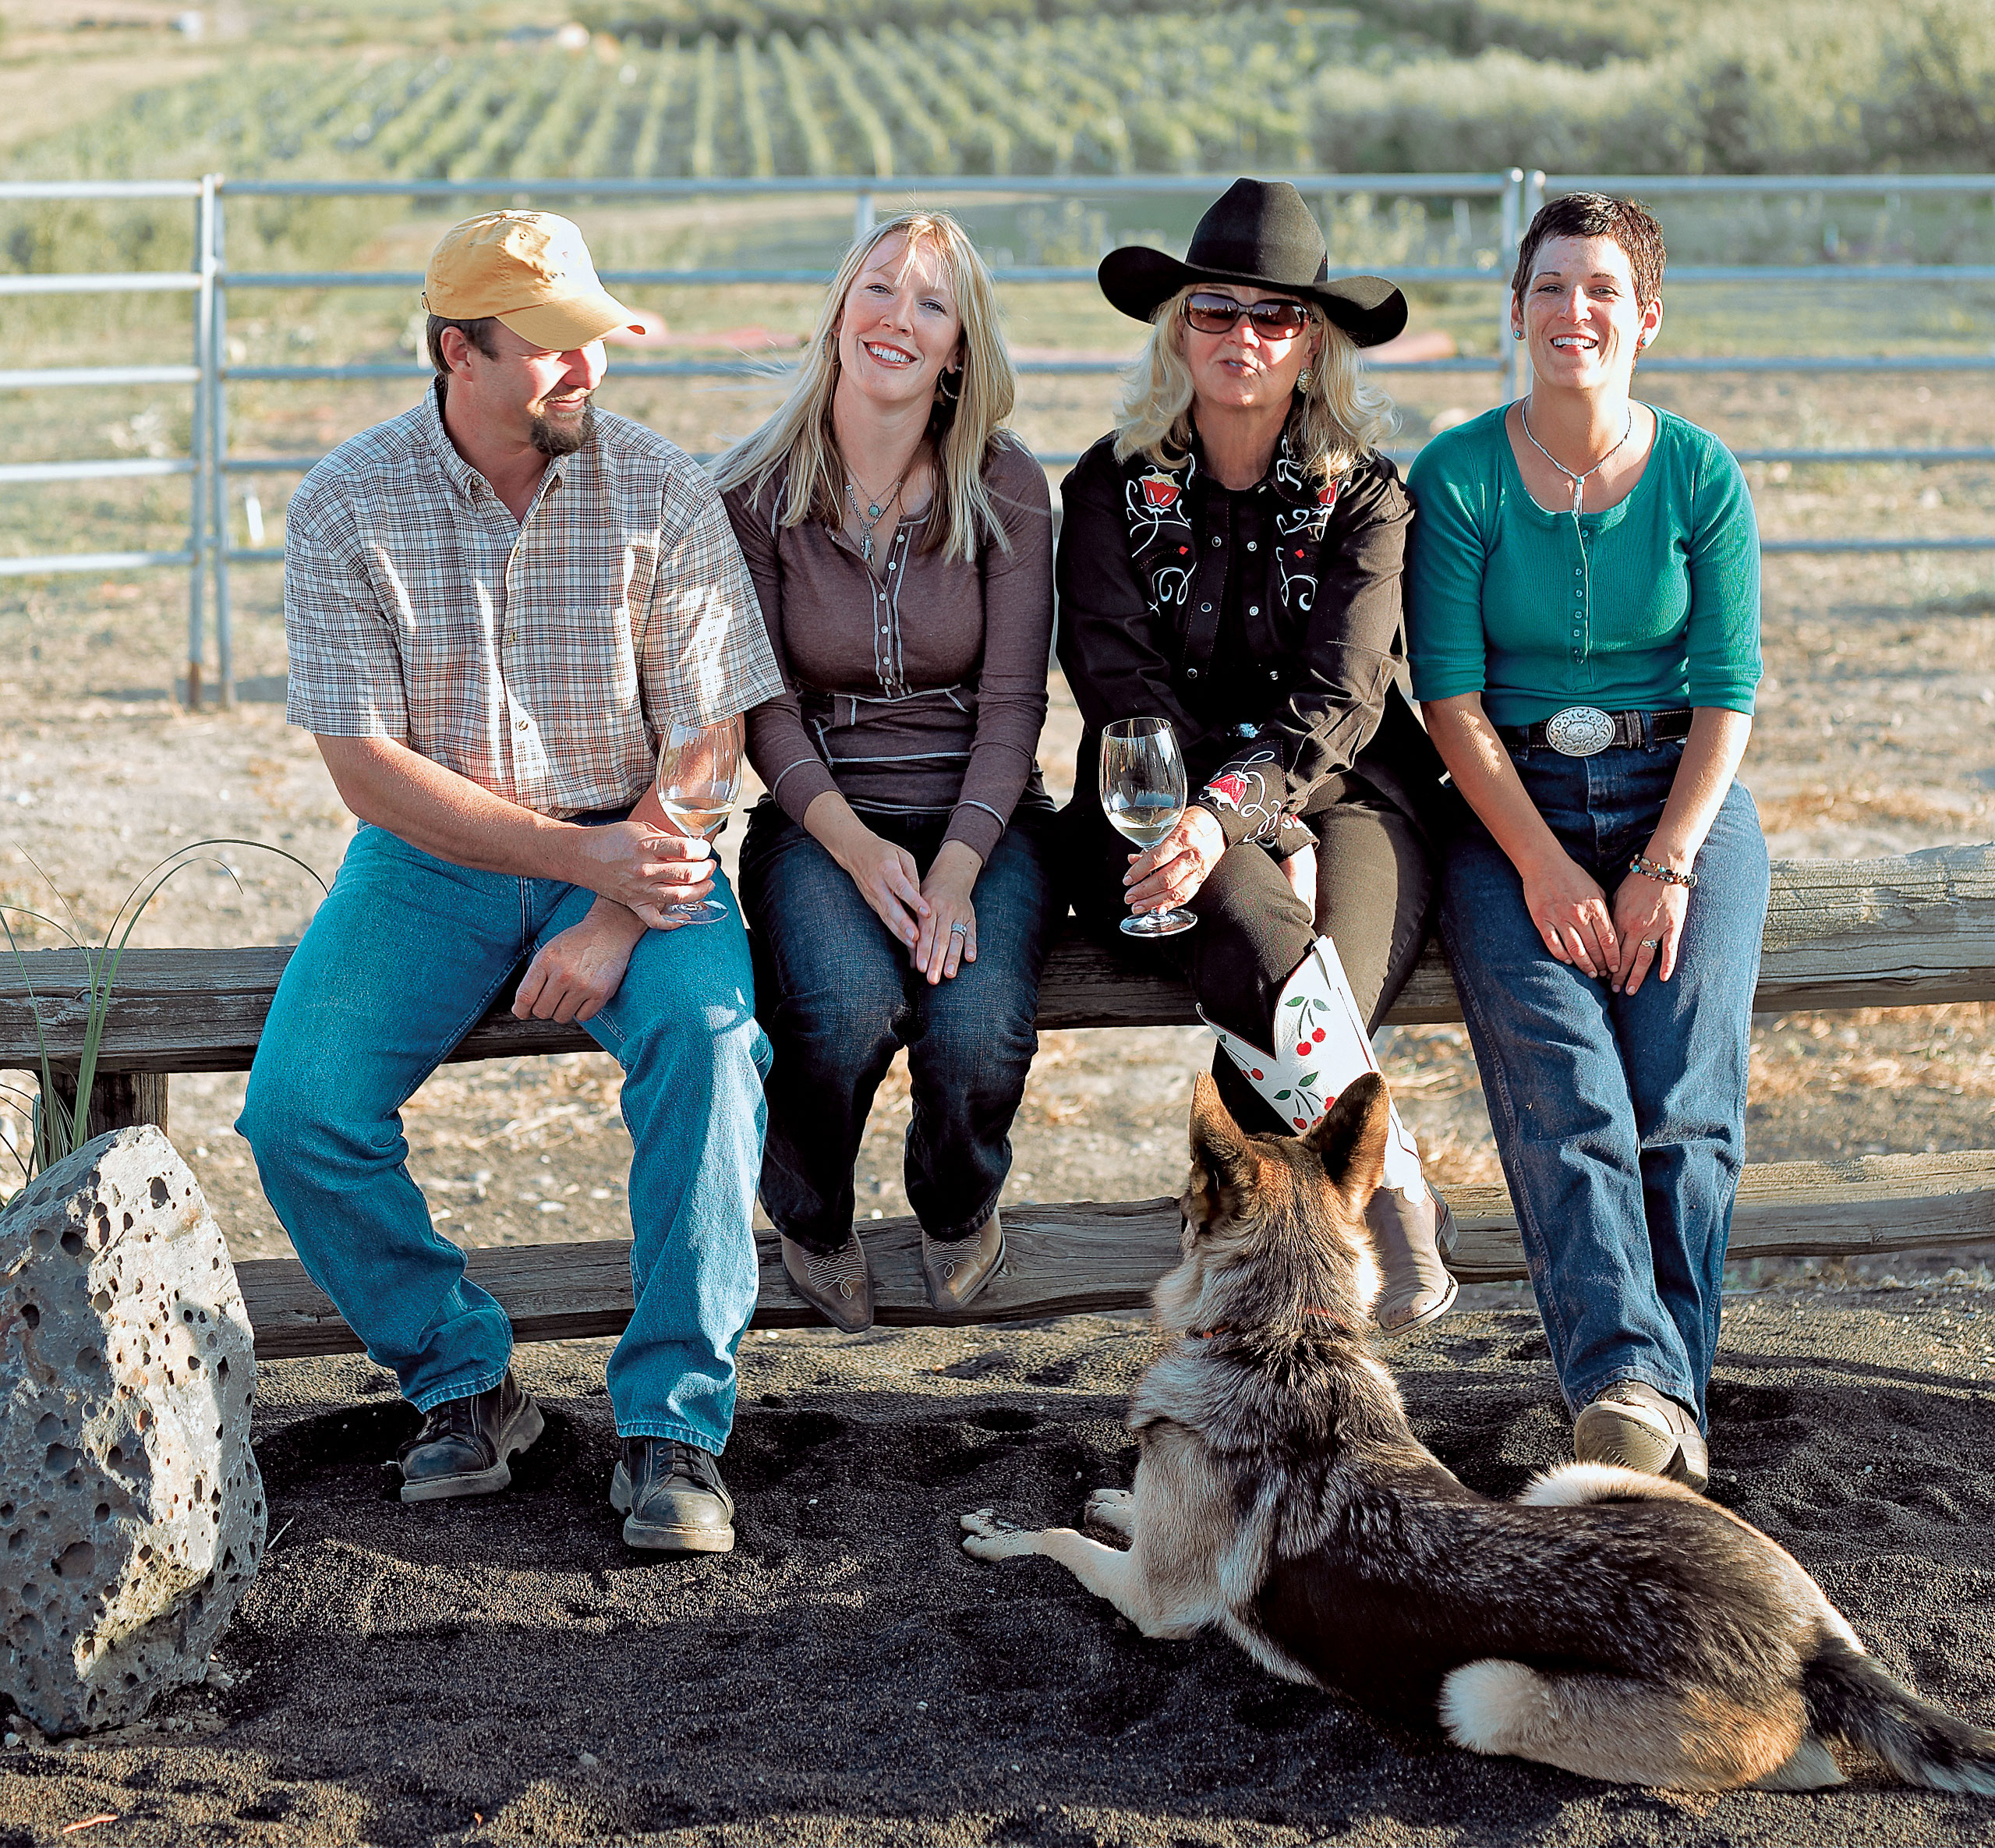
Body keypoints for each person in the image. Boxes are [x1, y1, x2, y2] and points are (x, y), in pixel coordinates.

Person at [239, 210, 784, 1556]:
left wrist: (611, 902)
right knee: (298, 1107)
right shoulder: (347, 503)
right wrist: (565, 856)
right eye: (550, 349)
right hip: (433, 858)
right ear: (455, 352)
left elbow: (711, 732)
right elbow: (366, 768)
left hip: (642, 838)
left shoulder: (660, 486)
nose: (584, 371)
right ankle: (462, 1377)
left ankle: (677, 1423)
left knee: (712, 1051)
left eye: (595, 342)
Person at [1406, 191, 1767, 1492]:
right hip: (1512, 810)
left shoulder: (1701, 475)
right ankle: (1628, 1384)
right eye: (1553, 287)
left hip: (1683, 794)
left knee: (1682, 1103)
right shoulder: (1456, 476)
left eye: (1604, 289)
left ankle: (1658, 1406)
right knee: (1569, 1091)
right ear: (1517, 309)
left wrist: (1667, 859)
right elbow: (1445, 695)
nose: (1577, 312)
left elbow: (1729, 688)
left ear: (1648, 317)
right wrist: (1547, 865)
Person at [1056, 177, 1457, 1332]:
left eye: (1273, 316)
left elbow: (1342, 694)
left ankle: (1259, 1310)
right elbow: (1121, 689)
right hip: (1148, 800)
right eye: (1215, 309)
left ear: (1311, 340)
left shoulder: (1370, 496)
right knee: (1246, 923)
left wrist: (1259, 819)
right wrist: (1238, 831)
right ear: (1177, 326)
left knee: (1298, 978)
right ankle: (1393, 1174)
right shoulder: (1107, 490)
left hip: (1352, 794)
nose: (1243, 335)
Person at [717, 212, 1057, 1331]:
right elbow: (763, 706)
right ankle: (810, 1210)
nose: (896, 320)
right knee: (842, 1006)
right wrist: (858, 851)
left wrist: (956, 870)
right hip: (823, 813)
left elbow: (1015, 706)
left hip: (981, 812)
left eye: (930, 303)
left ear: (960, 346)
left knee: (975, 1028)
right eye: (878, 290)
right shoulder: (758, 490)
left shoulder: (1007, 485)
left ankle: (955, 1204)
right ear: (838, 310)